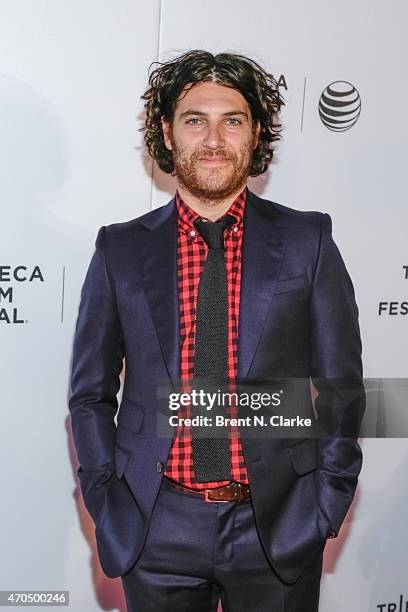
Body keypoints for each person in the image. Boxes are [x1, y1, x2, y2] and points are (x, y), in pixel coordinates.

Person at [68, 50, 365, 611]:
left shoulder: (309, 242)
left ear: (254, 135)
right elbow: (90, 394)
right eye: (194, 119)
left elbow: (343, 387)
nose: (213, 138)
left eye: (232, 120)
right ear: (167, 133)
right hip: (154, 526)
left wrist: (325, 502)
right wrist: (107, 499)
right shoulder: (120, 249)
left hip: (277, 525)